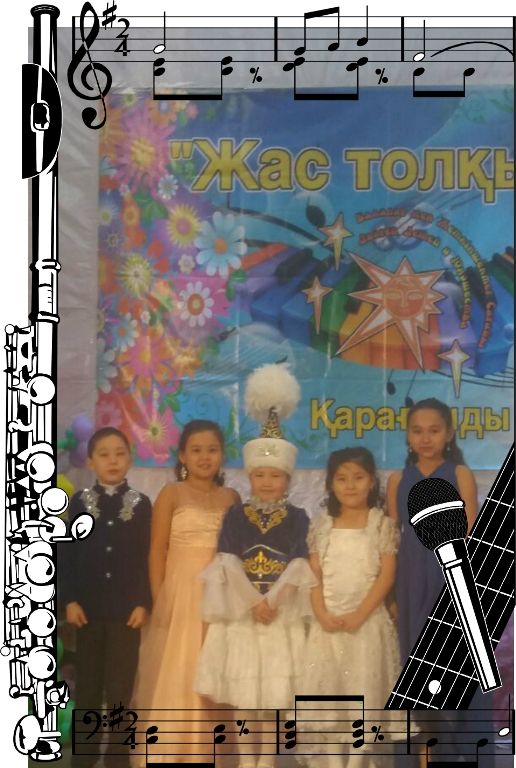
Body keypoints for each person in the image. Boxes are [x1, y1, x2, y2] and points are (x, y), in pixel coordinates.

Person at [196, 364, 316, 768]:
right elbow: (228, 561)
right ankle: (247, 760)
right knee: (244, 695)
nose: (266, 482)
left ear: (287, 479)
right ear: (249, 476)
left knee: (273, 696)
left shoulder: (298, 517)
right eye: (260, 474)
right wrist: (253, 602)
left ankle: (267, 761)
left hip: (279, 615)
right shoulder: (236, 515)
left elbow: (298, 564)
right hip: (242, 614)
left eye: (275, 475)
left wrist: (273, 601)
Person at [387, 397, 492, 768]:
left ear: (448, 433)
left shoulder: (460, 473)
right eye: (417, 431)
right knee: (417, 674)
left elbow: (470, 534)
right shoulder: (397, 480)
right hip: (409, 583)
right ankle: (422, 758)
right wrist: (390, 597)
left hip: (450, 579)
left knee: (454, 671)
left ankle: (459, 754)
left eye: (434, 430)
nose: (425, 438)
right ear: (407, 435)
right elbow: (390, 542)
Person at [131, 419, 238, 765]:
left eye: (212, 450)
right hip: (180, 593)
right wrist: (159, 597)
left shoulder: (231, 497)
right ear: (182, 456)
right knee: (179, 665)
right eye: (196, 450)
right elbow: (156, 550)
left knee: (213, 666)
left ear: (222, 454)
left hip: (220, 596)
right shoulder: (171, 493)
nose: (205, 457)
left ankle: (207, 749)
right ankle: (171, 748)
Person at [300, 447, 400, 768]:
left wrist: (360, 614)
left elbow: (386, 575)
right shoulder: (322, 525)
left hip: (366, 625)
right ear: (331, 484)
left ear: (371, 481)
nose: (350, 485)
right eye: (341, 479)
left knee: (363, 695)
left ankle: (357, 762)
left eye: (358, 477)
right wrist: (321, 613)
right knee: (329, 698)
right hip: (327, 626)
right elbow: (313, 575)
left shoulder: (381, 524)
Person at [60, 427, 152, 768]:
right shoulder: (78, 503)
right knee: (87, 688)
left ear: (130, 458)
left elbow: (147, 557)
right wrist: (69, 599)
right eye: (104, 454)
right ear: (90, 461)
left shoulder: (141, 505)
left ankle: (117, 760)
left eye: (119, 453)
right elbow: (66, 555)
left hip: (127, 613)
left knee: (120, 691)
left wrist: (143, 602)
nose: (112, 461)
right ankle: (83, 759)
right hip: (87, 611)